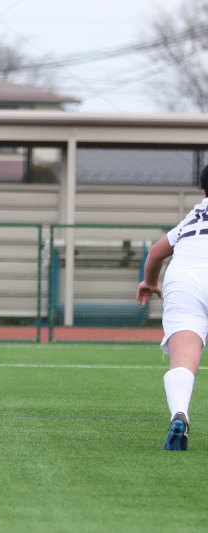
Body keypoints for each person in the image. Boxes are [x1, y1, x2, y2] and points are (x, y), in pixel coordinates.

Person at [136, 164, 208, 451]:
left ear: (203, 189)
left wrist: (150, 282)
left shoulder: (194, 217)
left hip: (183, 279)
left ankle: (179, 413)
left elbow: (156, 253)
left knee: (184, 356)